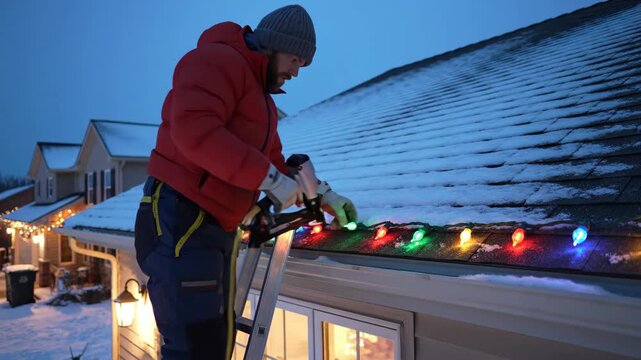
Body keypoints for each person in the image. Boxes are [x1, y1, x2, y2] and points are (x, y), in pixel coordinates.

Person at [134, 4, 357, 359]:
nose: (296, 73)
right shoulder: (215, 61)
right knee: (195, 345)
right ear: (274, 44)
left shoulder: (260, 101)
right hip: (181, 217)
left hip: (215, 227)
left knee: (215, 342)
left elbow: (274, 161)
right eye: (296, 61)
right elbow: (195, 129)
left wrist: (325, 194)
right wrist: (267, 178)